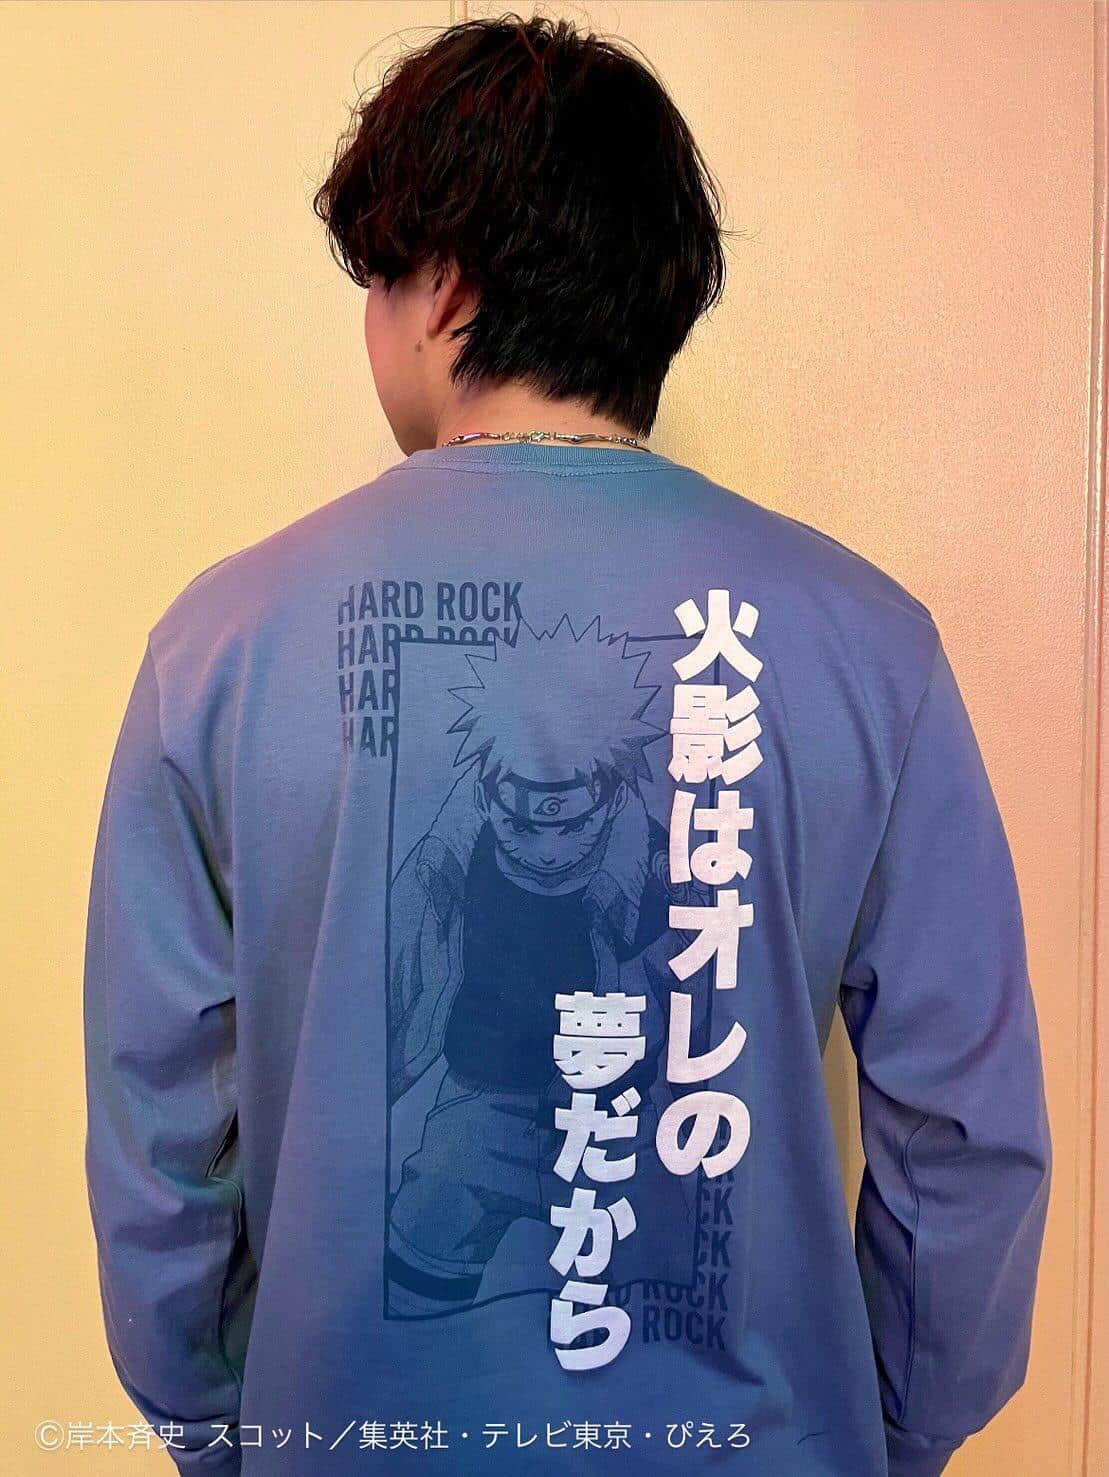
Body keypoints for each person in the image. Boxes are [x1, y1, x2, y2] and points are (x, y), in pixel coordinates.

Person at [82, 12, 1051, 1476]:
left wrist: (220, 1432)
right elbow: (965, 1131)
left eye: (375, 280)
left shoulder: (219, 650)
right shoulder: (870, 648)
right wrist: (894, 1428)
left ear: (442, 285)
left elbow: (163, 1132)